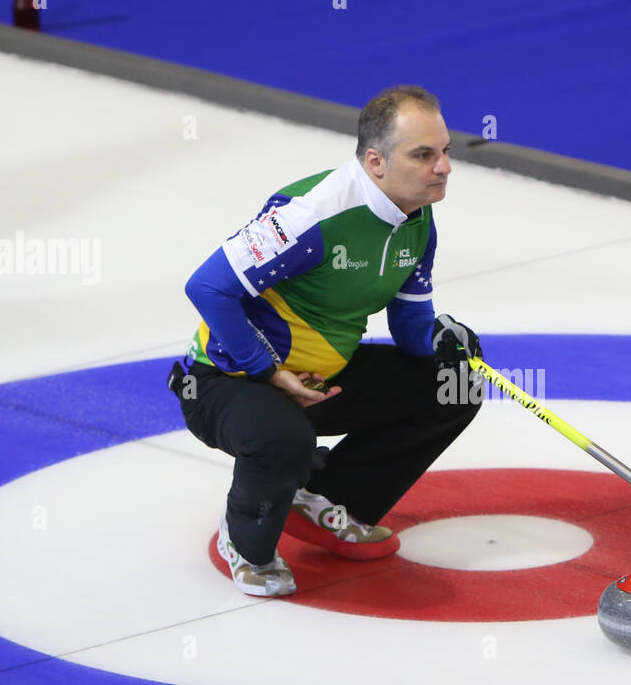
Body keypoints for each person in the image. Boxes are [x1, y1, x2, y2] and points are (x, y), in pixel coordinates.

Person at [168, 85, 482, 597]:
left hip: (319, 380)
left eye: (444, 151)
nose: (443, 167)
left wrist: (444, 340)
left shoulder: (417, 220)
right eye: (424, 155)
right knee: (284, 438)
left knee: (455, 383)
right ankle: (244, 542)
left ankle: (325, 500)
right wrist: (268, 370)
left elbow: (409, 330)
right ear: (375, 161)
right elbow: (206, 287)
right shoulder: (311, 214)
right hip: (226, 380)